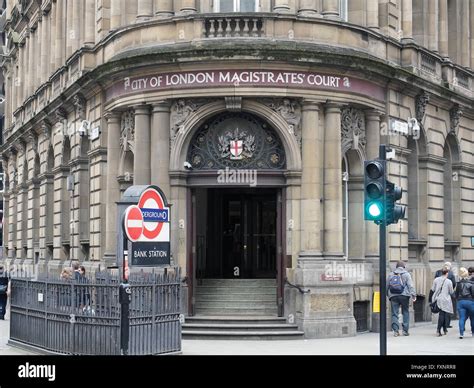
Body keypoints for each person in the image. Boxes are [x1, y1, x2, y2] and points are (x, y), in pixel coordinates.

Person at [387, 261, 417, 337]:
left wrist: (388, 295)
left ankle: (396, 331)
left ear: (396, 267)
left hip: (393, 295)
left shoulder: (391, 274)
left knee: (394, 313)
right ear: (404, 267)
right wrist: (413, 295)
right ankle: (405, 331)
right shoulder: (406, 274)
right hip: (404, 295)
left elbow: (387, 286)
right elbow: (410, 285)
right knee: (405, 312)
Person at [431, 267, 454, 336]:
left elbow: (433, 289)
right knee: (443, 315)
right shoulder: (449, 281)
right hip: (445, 300)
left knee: (442, 314)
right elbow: (451, 291)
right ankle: (438, 330)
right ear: (447, 273)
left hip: (437, 299)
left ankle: (444, 329)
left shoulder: (436, 280)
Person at [434, 262, 456, 327]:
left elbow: (434, 283)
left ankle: (440, 326)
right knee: (447, 310)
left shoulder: (438, 272)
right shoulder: (451, 273)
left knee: (441, 311)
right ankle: (447, 324)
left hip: (438, 294)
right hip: (447, 295)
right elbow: (454, 283)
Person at [455, 267, 474, 339]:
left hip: (461, 302)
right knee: (472, 318)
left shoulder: (458, 284)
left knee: (462, 318)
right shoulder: (471, 283)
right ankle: (473, 332)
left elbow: (456, 294)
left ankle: (461, 334)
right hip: (470, 301)